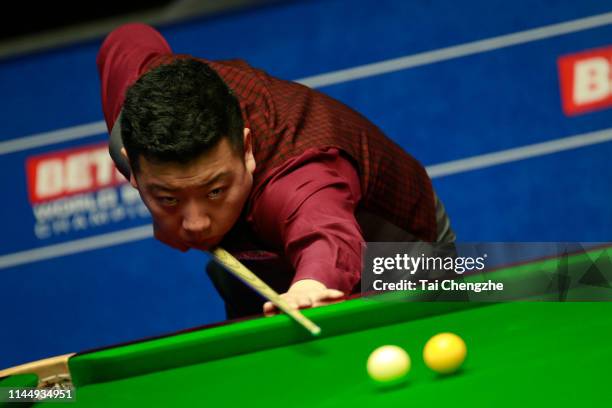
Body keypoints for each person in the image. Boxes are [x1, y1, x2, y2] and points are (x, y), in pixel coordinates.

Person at [97, 23, 455, 319]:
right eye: (169, 197)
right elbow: (127, 38)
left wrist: (309, 286)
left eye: (215, 191)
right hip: (259, 256)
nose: (195, 224)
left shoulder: (299, 179)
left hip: (391, 248)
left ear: (248, 150)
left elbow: (326, 235)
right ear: (132, 164)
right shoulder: (131, 122)